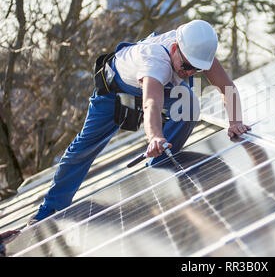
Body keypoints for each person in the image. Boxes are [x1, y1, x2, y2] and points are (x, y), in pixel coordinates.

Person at [27, 20, 251, 225]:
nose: (189, 73)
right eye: (186, 67)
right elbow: (151, 103)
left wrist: (235, 122)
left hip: (156, 87)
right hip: (114, 92)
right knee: (84, 148)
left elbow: (227, 88)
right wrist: (155, 136)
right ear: (175, 49)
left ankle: (157, 168)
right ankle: (50, 208)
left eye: (196, 69)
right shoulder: (156, 60)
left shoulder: (196, 50)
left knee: (189, 106)